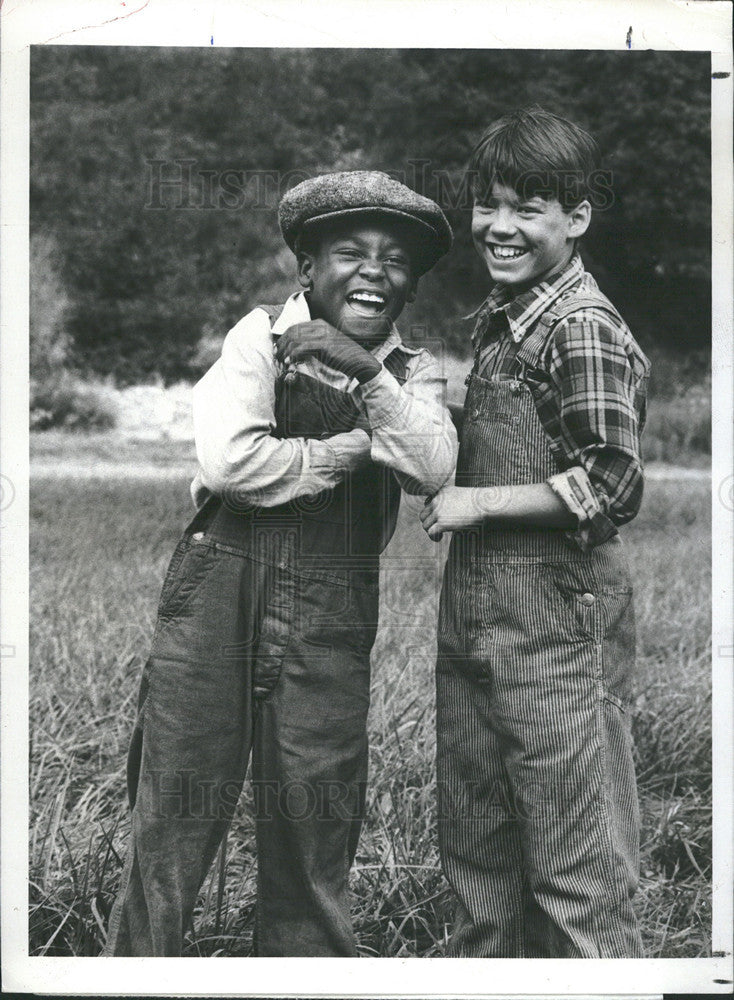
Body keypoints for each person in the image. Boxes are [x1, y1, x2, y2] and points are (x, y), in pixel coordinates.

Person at [104, 170, 457, 957]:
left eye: (396, 259)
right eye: (349, 251)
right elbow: (233, 465)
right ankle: (136, 971)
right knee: (175, 816)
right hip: (219, 587)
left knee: (315, 811)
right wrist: (351, 449)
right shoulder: (256, 336)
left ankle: (306, 971)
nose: (374, 270)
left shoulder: (413, 371)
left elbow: (433, 466)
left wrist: (363, 374)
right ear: (307, 266)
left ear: (411, 283)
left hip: (332, 606)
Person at [420, 108, 650, 958]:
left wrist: (474, 505)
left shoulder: (580, 325)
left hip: (558, 626)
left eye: (528, 209)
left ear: (577, 217)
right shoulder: (502, 319)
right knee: (478, 861)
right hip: (479, 620)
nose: (500, 227)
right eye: (488, 205)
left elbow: (613, 482)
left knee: (575, 871)